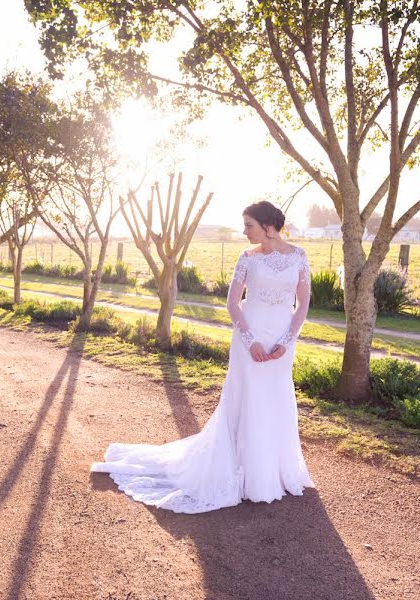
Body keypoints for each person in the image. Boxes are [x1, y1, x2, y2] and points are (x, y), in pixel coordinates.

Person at [90, 200, 315, 513]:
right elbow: (233, 304)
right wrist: (250, 341)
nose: (244, 231)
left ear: (267, 225)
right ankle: (244, 472)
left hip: (282, 338)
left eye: (249, 225)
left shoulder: (299, 256)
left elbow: (303, 303)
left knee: (276, 397)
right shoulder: (247, 258)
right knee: (247, 398)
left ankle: (274, 471)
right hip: (249, 337)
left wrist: (288, 340)